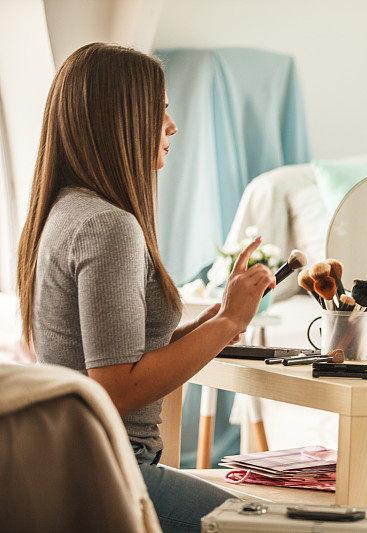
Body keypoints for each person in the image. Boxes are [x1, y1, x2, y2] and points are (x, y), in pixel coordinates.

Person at [16, 42, 275, 532]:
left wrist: (211, 322)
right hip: (112, 467)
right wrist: (229, 323)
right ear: (121, 122)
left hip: (81, 464)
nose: (171, 127)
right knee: (271, 525)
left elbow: (118, 355)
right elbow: (116, 388)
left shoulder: (66, 209)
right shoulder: (108, 225)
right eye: (160, 112)